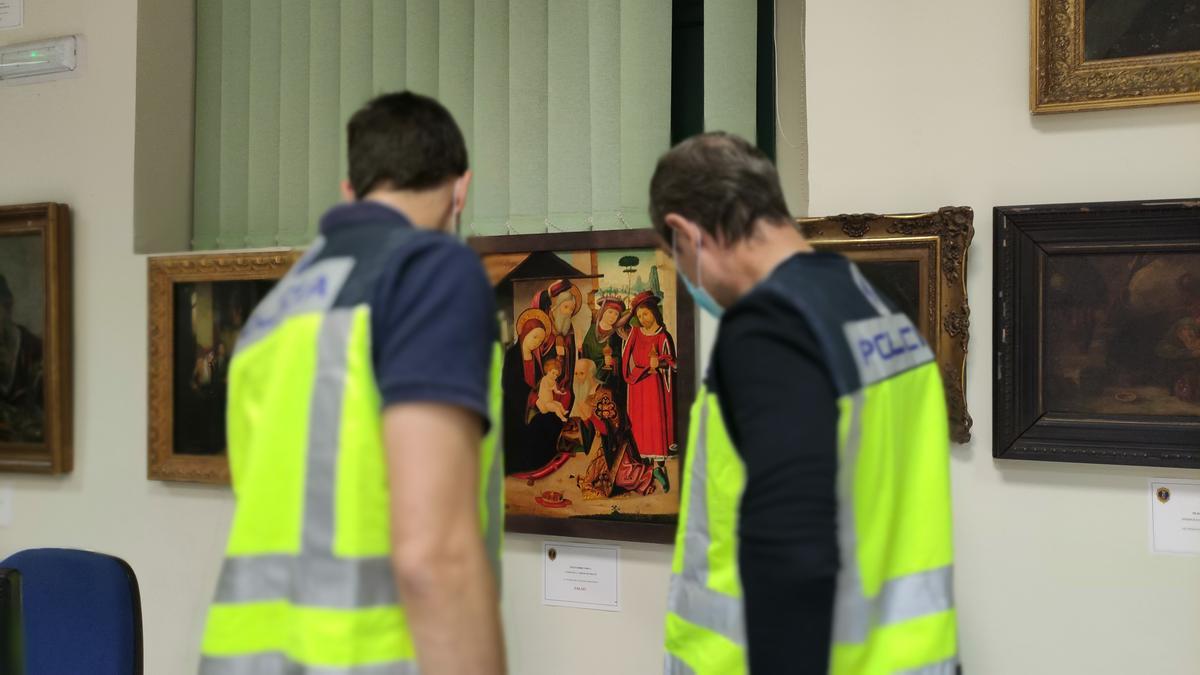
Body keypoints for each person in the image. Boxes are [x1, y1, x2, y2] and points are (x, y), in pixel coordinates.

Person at [200, 92, 506, 675]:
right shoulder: (430, 270)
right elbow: (432, 555)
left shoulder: (276, 310)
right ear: (461, 190)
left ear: (349, 190)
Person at [653, 133, 957, 675]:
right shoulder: (870, 302)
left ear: (684, 232)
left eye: (675, 257)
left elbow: (792, 553)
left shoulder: (770, 327)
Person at [622, 291, 675, 491]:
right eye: (640, 315)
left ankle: (659, 468)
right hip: (638, 385)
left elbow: (673, 362)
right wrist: (631, 376)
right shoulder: (635, 333)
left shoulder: (663, 336)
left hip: (656, 387)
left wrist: (660, 362)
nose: (643, 319)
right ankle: (644, 473)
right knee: (639, 426)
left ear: (654, 312)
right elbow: (626, 359)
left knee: (655, 424)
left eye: (646, 314)